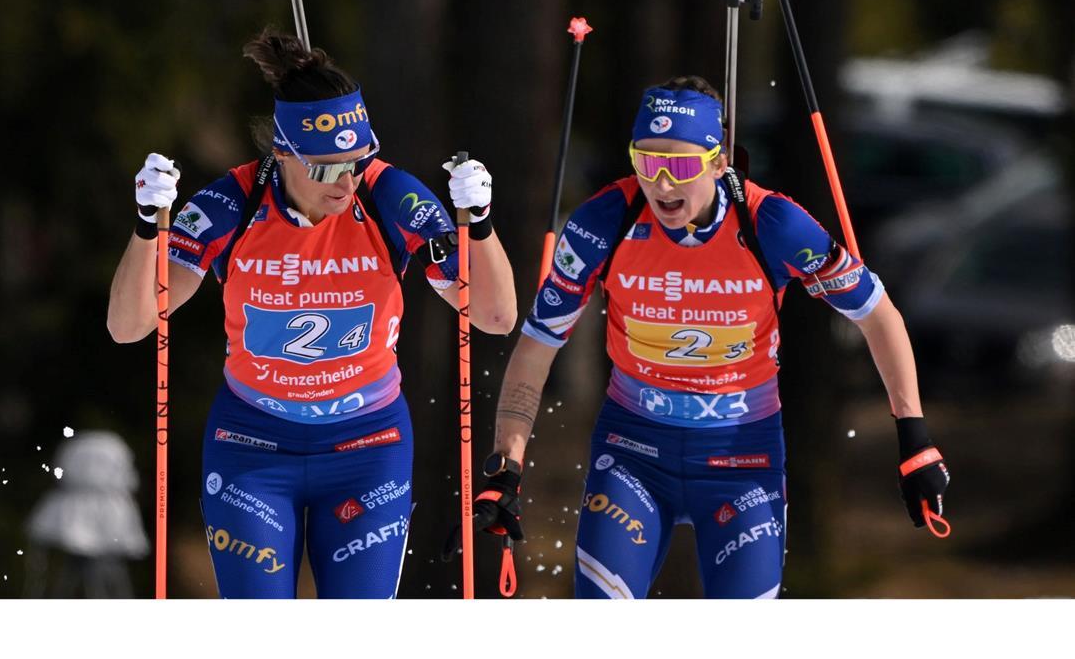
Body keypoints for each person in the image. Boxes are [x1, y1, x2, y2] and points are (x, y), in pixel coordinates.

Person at [467, 76, 950, 599]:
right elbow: (538, 344)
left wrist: (914, 438)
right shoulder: (604, 222)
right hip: (634, 449)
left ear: (720, 164)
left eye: (679, 166)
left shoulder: (773, 223)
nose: (662, 185)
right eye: (646, 162)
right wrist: (506, 465)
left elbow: (878, 316)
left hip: (741, 459)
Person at [107, 29, 517, 598]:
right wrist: (147, 227)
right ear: (282, 153)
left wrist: (482, 222)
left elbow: (495, 316)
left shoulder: (386, 196)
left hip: (367, 446)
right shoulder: (235, 203)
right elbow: (129, 327)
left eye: (357, 161)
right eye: (325, 168)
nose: (345, 181)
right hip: (252, 445)